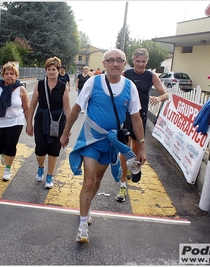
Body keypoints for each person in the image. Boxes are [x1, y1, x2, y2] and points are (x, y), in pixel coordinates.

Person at [60, 48, 147, 243]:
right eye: (111, 60)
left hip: (110, 144)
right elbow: (76, 109)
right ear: (105, 63)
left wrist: (141, 147)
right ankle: (83, 225)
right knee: (89, 181)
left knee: (98, 180)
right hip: (91, 140)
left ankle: (87, 208)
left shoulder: (130, 87)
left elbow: (136, 118)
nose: (115, 64)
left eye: (119, 60)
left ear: (125, 64)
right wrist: (66, 133)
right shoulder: (93, 82)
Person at [115, 48, 168, 202]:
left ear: (147, 62)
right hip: (125, 115)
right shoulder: (126, 75)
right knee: (125, 151)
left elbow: (165, 94)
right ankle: (123, 185)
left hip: (141, 116)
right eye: (138, 61)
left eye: (143, 62)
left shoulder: (151, 76)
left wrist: (159, 99)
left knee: (137, 149)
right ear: (133, 61)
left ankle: (133, 168)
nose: (140, 64)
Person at [27, 56, 71, 189]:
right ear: (46, 70)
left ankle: (50, 176)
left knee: (54, 150)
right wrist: (29, 124)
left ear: (58, 70)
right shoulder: (40, 84)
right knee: (40, 149)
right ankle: (41, 167)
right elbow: (33, 104)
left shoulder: (63, 87)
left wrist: (68, 128)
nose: (51, 72)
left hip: (58, 121)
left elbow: (67, 108)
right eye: (49, 69)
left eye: (54, 69)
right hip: (41, 119)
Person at [0, 63, 29, 181]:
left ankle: (8, 168)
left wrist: (29, 124)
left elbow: (27, 108)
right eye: (6, 73)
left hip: (16, 122)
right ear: (3, 75)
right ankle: (4, 155)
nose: (9, 76)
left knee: (10, 146)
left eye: (12, 74)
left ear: (16, 76)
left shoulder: (21, 89)